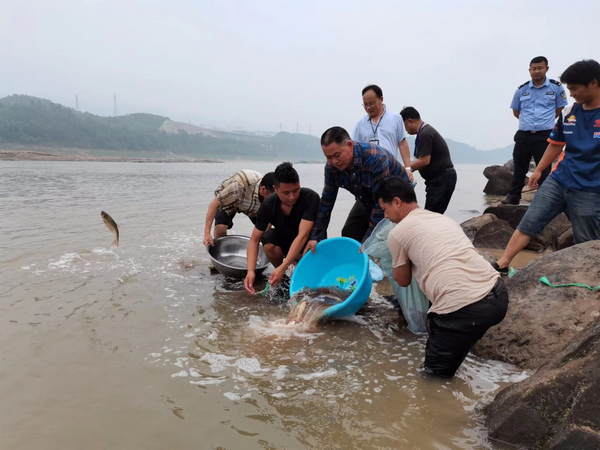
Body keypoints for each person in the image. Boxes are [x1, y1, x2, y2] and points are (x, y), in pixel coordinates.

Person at [376, 176, 508, 378]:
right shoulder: (443, 219)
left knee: (432, 378)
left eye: (385, 209)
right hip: (498, 293)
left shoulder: (397, 233)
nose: (386, 216)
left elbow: (402, 280)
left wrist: (394, 256)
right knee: (457, 344)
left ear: (397, 202)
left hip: (464, 308)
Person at [494, 59, 600, 274]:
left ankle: (587, 279)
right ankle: (502, 264)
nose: (571, 94)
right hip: (559, 180)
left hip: (590, 189)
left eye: (575, 88)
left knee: (586, 240)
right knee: (529, 222)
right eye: (569, 89)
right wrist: (539, 170)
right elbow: (555, 144)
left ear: (593, 83)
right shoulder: (569, 112)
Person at [305, 126, 409, 251]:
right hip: (365, 198)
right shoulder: (331, 168)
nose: (334, 161)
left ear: (350, 145)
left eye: (337, 155)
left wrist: (367, 242)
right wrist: (315, 237)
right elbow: (327, 201)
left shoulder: (375, 159)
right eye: (328, 157)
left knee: (383, 243)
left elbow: (380, 205)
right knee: (349, 232)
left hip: (394, 198)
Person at [244, 162, 320, 294]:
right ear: (275, 189)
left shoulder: (310, 198)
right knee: (268, 239)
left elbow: (302, 235)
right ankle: (282, 279)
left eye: (296, 190)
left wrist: (285, 265)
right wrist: (250, 271)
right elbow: (254, 240)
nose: (292, 197)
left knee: (310, 281)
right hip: (284, 240)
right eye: (286, 193)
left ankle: (293, 269)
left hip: (306, 243)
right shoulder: (269, 204)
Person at [502, 56, 568, 205]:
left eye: (540, 68)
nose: (536, 71)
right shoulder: (522, 89)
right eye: (534, 68)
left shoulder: (556, 88)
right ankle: (513, 197)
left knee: (543, 168)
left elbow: (560, 108)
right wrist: (528, 123)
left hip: (545, 134)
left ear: (546, 69)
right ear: (529, 70)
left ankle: (543, 199)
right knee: (519, 167)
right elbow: (516, 111)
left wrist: (545, 121)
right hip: (524, 134)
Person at [352, 85, 414, 182]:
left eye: (371, 103)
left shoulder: (395, 118)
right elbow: (354, 150)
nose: (368, 107)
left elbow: (402, 143)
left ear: (381, 99)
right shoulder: (360, 125)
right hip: (369, 173)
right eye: (365, 104)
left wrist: (407, 168)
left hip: (391, 170)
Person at [400, 106, 457, 214]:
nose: (405, 131)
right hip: (437, 180)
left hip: (441, 179)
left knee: (431, 215)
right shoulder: (424, 133)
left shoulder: (425, 134)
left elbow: (424, 161)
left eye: (404, 127)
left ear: (410, 122)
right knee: (432, 214)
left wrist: (406, 169)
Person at [203, 170, 274, 247]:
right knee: (220, 228)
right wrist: (207, 233)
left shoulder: (276, 192)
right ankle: (222, 251)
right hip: (230, 199)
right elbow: (213, 205)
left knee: (264, 231)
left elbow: (269, 218)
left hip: (252, 204)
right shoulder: (240, 185)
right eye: (272, 197)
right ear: (263, 189)